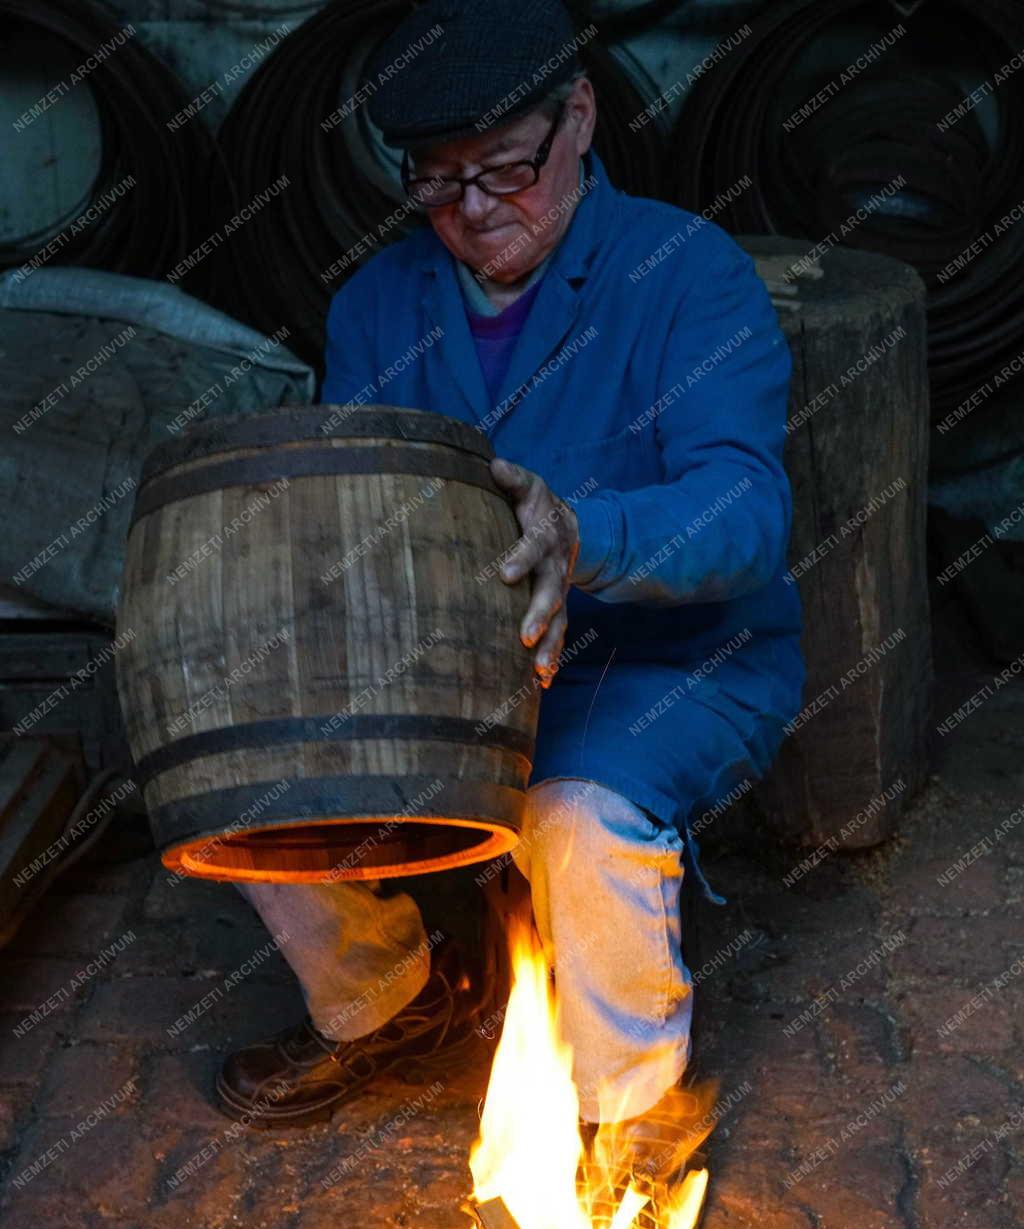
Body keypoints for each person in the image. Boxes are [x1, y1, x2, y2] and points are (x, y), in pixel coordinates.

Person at [216, 0, 803, 1134]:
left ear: (577, 117)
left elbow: (747, 511)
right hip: (455, 669)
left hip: (659, 661)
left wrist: (585, 537)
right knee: (238, 772)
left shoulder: (689, 273)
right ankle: (384, 996)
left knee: (575, 813)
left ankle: (626, 1123)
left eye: (503, 170)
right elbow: (359, 517)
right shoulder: (376, 305)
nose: (474, 210)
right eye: (437, 183)